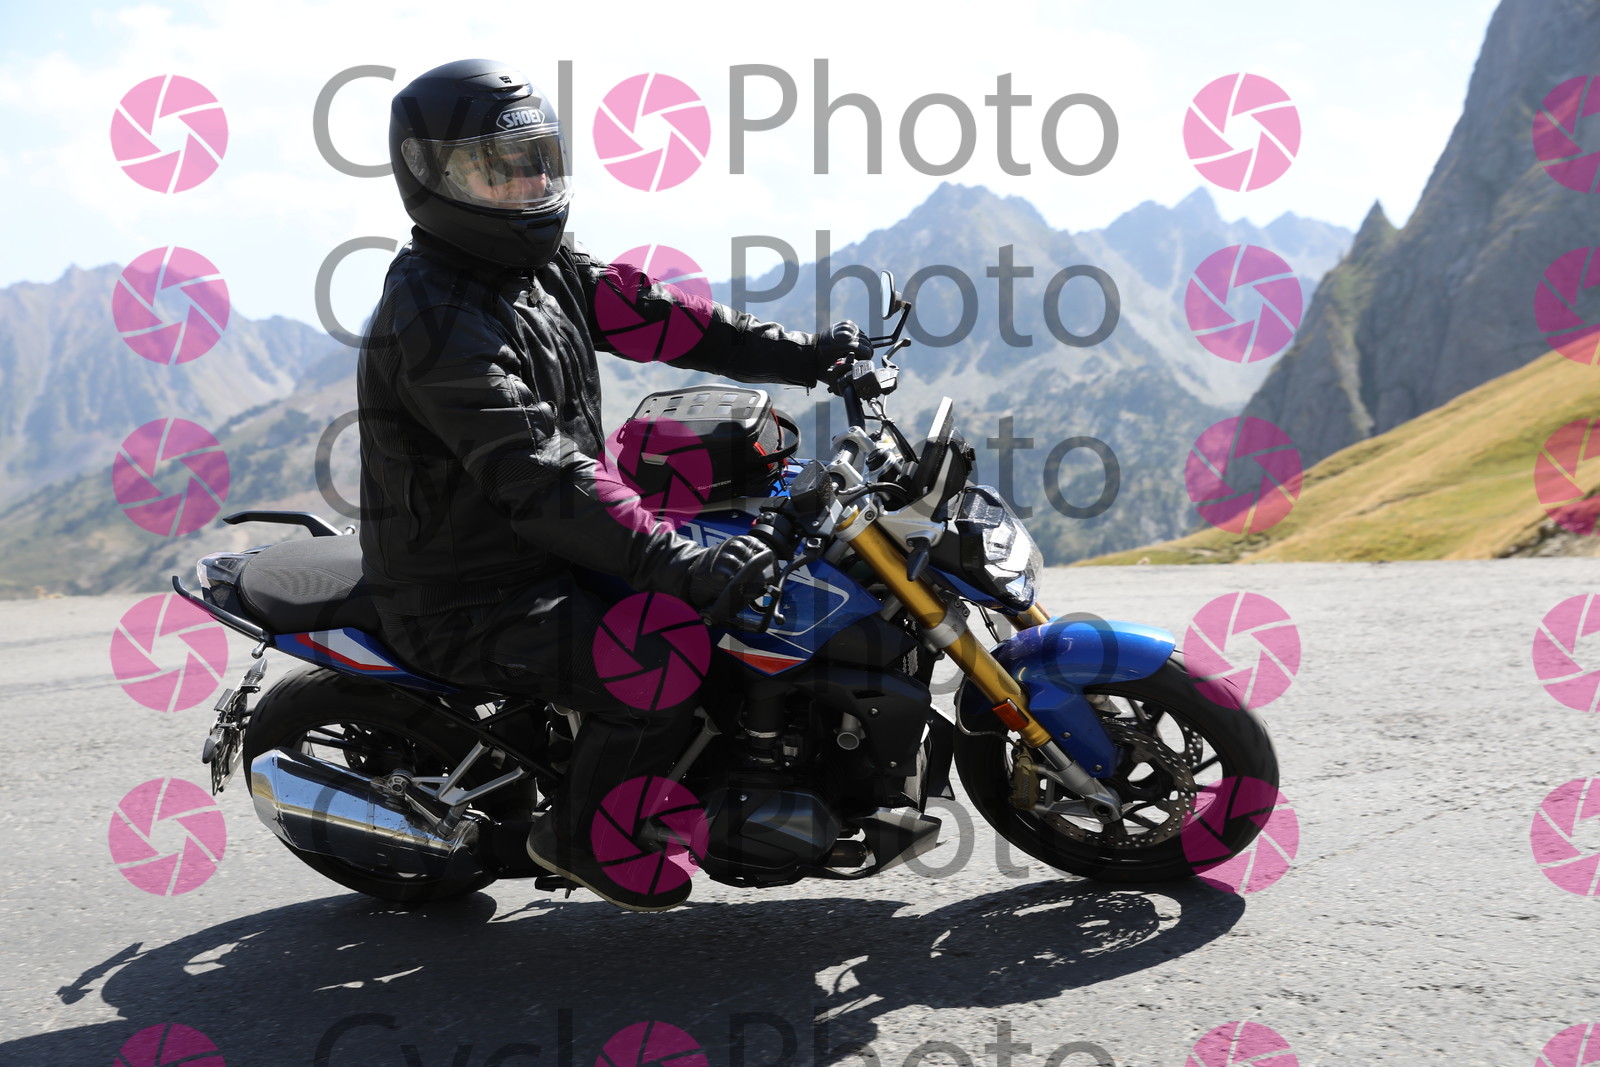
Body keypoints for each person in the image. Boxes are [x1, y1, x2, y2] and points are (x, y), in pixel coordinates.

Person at [356, 58, 868, 911]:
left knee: (733, 599)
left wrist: (807, 355)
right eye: (497, 168)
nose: (529, 184)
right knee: (659, 657)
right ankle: (579, 836)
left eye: (538, 160)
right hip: (471, 591)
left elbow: (663, 316)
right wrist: (677, 562)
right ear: (431, 177)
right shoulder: (434, 318)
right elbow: (538, 469)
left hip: (549, 547)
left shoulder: (540, 266)